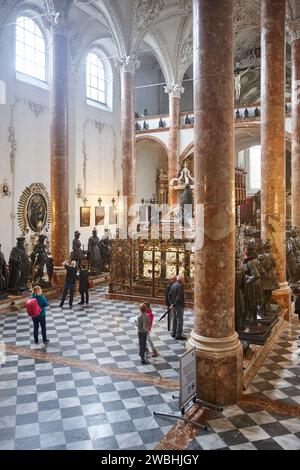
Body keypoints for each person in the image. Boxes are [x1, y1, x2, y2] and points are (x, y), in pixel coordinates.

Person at [168, 275, 186, 340]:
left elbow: (169, 295)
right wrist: (174, 304)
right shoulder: (180, 286)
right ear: (180, 280)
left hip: (173, 306)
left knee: (174, 319)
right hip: (178, 306)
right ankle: (178, 335)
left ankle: (173, 333)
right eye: (183, 279)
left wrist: (171, 304)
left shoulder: (173, 285)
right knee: (180, 320)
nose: (184, 280)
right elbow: (179, 297)